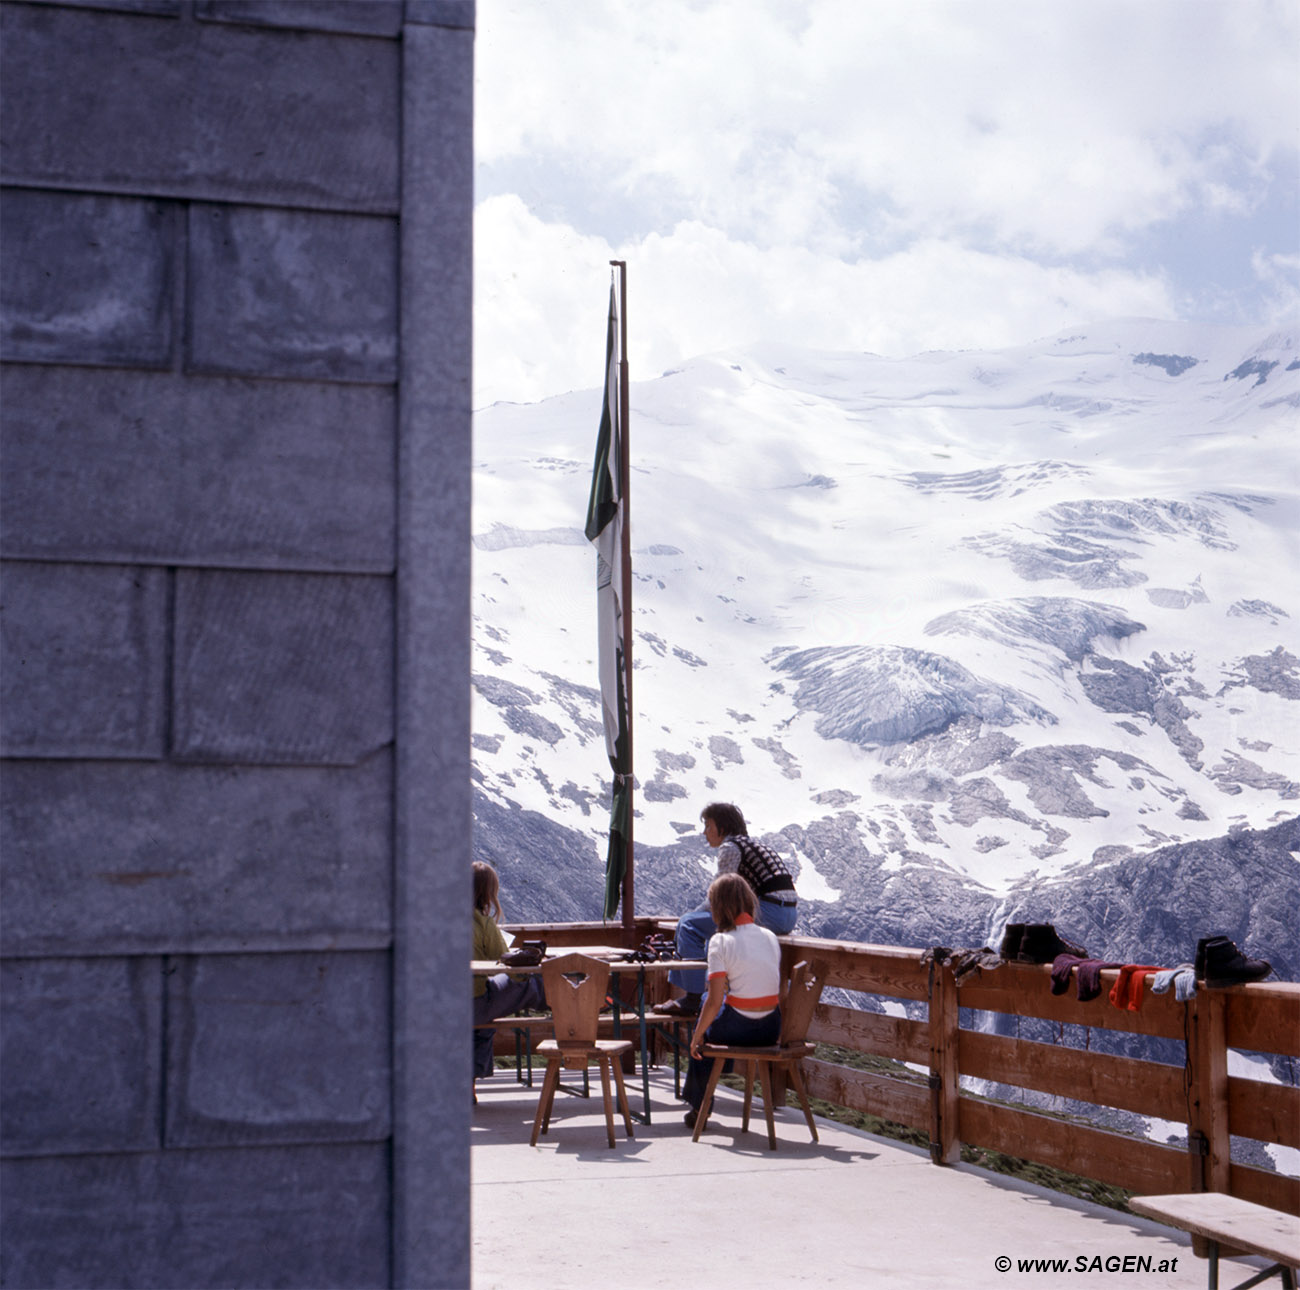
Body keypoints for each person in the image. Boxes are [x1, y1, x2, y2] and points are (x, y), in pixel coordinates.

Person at [660, 802, 798, 1016]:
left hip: (769, 913)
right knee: (705, 932)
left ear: (722, 827)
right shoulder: (753, 844)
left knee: (689, 926)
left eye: (708, 825)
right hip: (788, 915)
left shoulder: (730, 847)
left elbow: (719, 895)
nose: (705, 832)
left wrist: (691, 916)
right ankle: (707, 993)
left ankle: (692, 999)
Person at [681, 872, 782, 1128]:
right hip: (771, 1029)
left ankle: (699, 1108)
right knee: (712, 1012)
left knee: (702, 1038)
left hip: (739, 1029)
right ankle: (705, 1096)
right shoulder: (770, 937)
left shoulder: (720, 941)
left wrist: (695, 1036)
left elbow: (714, 1002)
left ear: (719, 907)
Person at [472, 861, 545, 1081]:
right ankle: (575, 1006)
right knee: (529, 983)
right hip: (473, 1005)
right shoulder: (483, 923)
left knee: (482, 1025)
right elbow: (513, 969)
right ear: (488, 893)